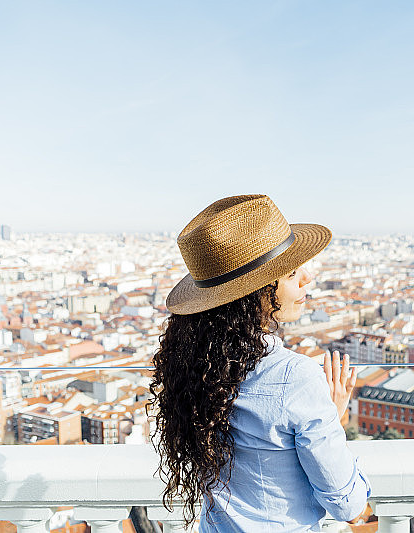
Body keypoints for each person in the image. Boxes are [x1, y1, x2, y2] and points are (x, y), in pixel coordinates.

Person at [150, 194, 371, 532]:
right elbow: (347, 504)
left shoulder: (196, 367)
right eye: (292, 271)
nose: (306, 279)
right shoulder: (297, 378)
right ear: (258, 291)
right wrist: (331, 417)